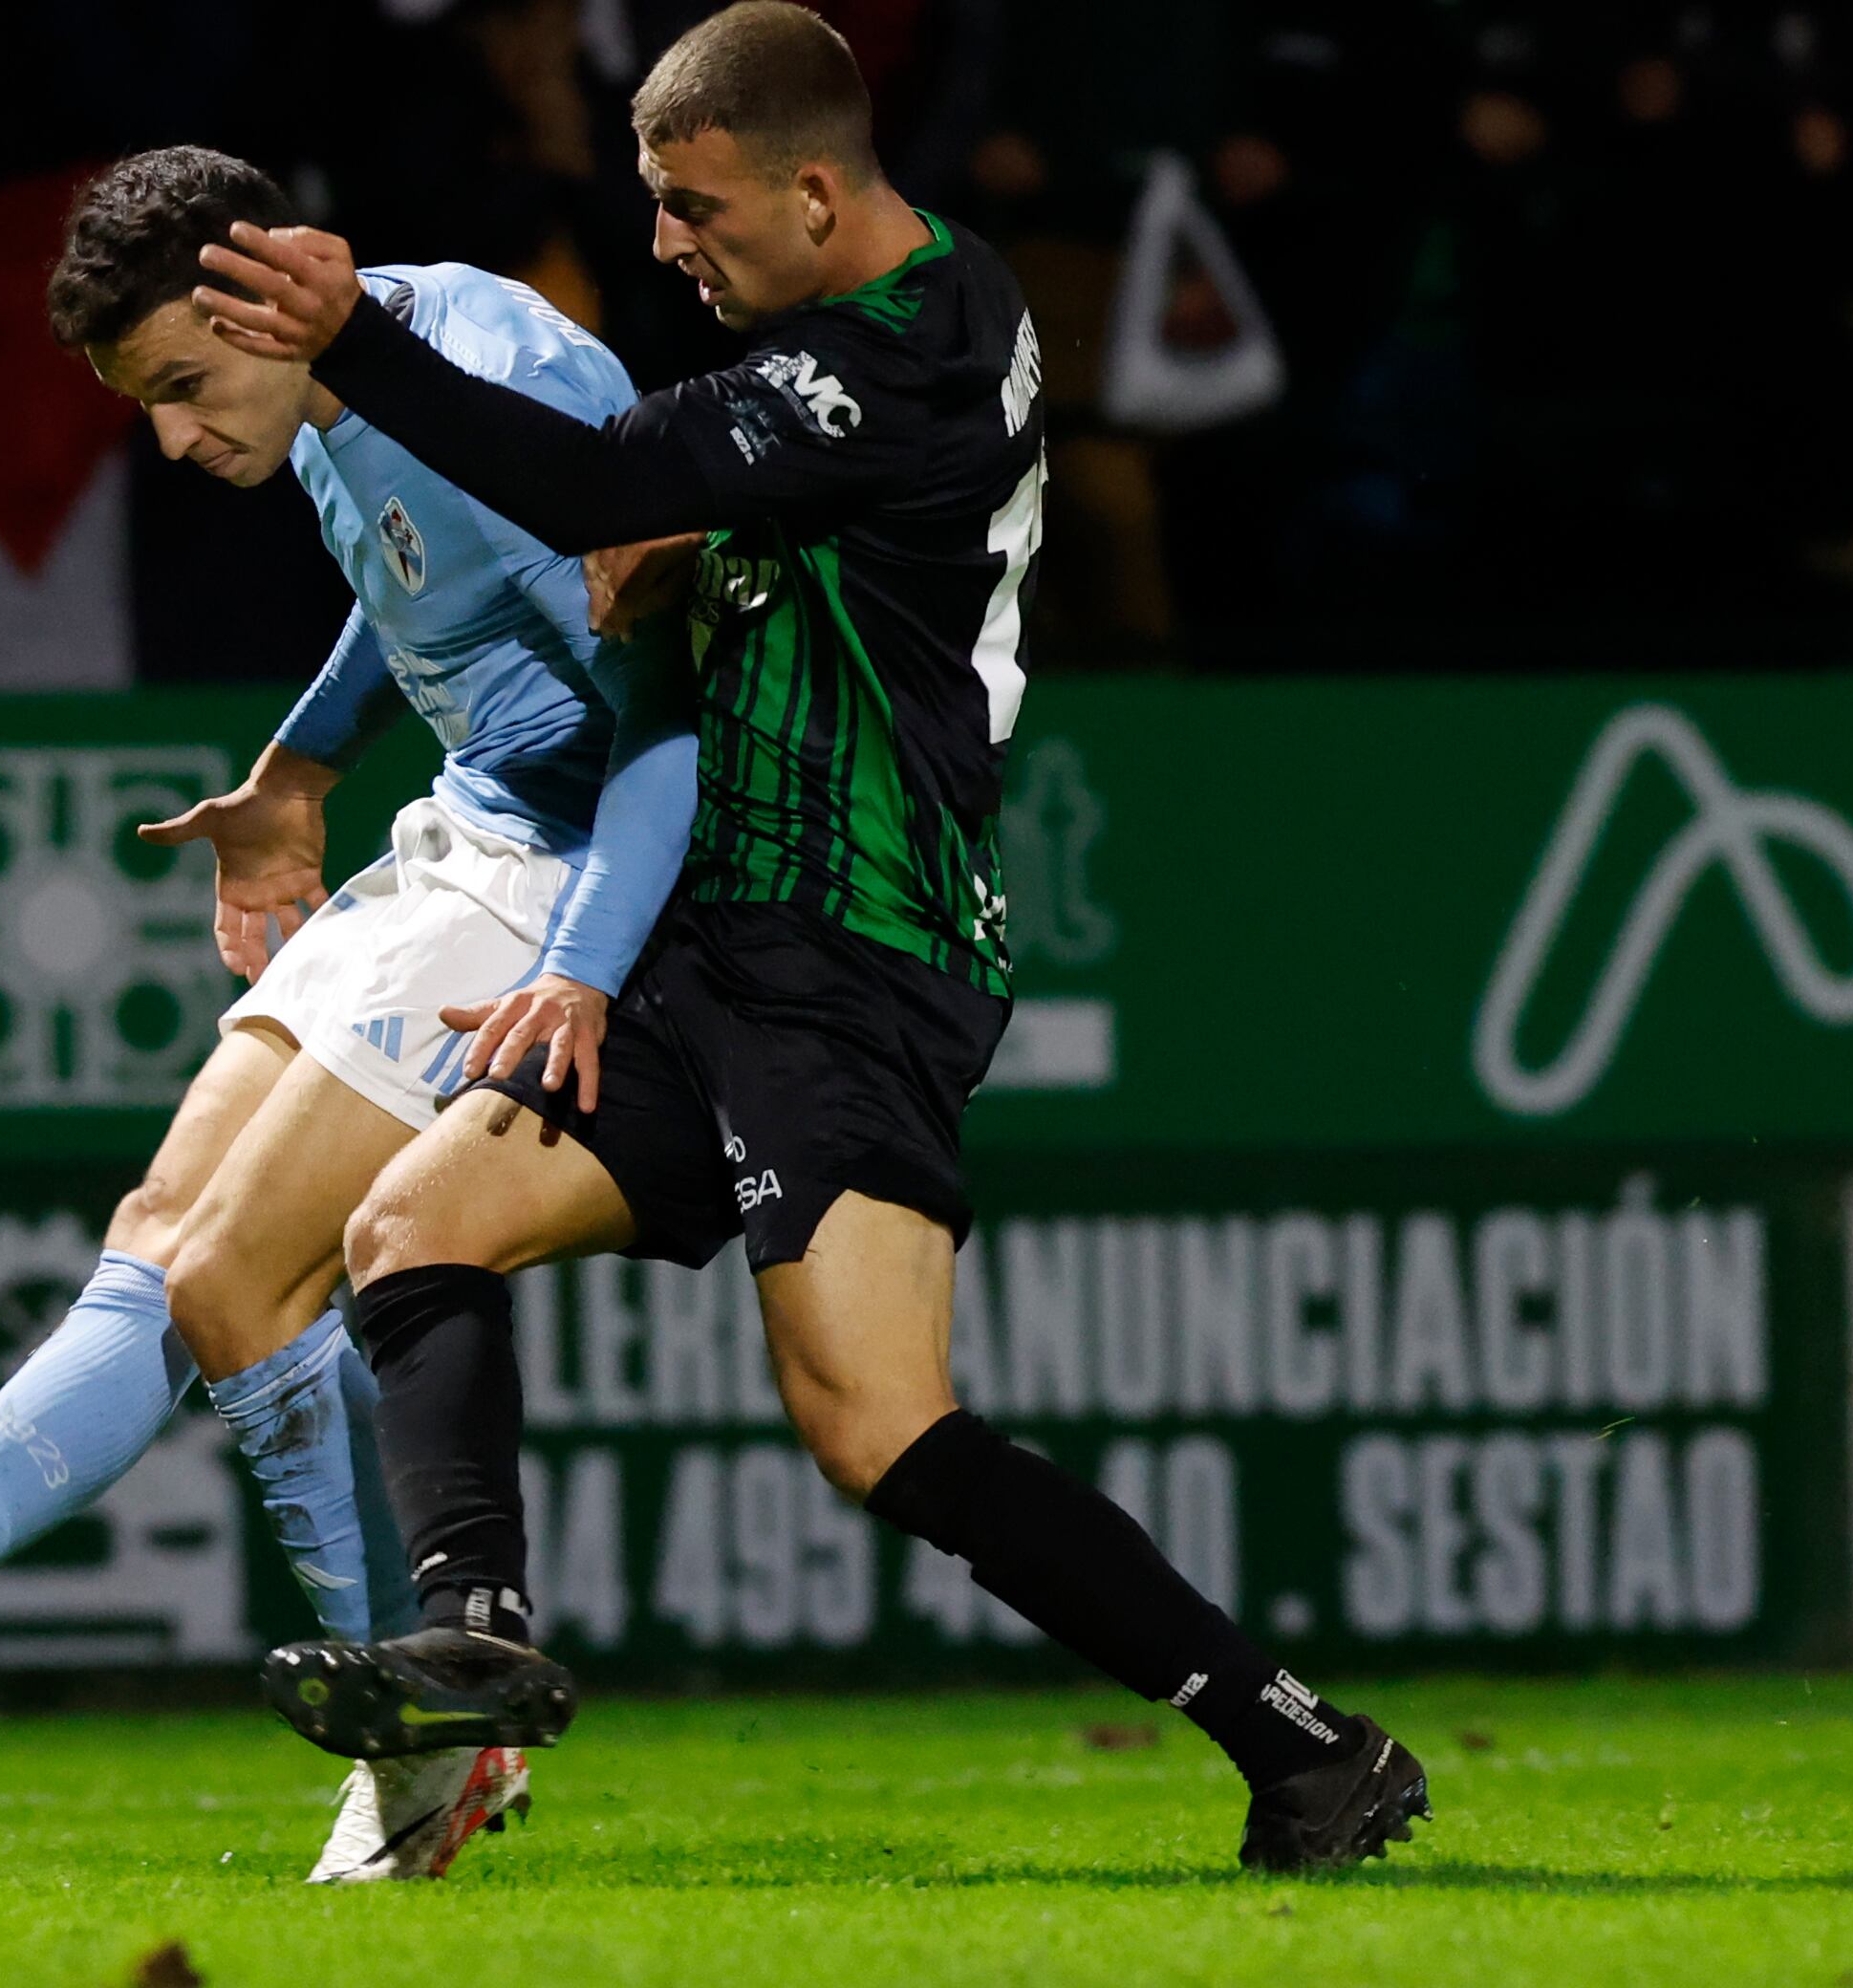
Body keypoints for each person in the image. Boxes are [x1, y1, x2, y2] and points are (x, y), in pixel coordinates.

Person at [193, 3, 1432, 1873]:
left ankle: (1300, 1742)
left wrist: (349, 334)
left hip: (861, 947)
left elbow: (609, 481)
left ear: (817, 187)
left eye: (694, 210)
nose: (672, 246)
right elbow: (708, 541)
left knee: (880, 1424)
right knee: (412, 1226)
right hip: (722, 949)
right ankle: (480, 1636)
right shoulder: (830, 355)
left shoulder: (924, 340)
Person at [0, 146, 696, 1883]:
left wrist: (588, 960)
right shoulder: (356, 383)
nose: (179, 442)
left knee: (232, 1276)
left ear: (260, 290)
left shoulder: (485, 383)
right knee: (162, 1234)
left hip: (559, 874)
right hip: (468, 833)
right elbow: (421, 582)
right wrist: (299, 764)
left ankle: (411, 1737)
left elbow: (678, 705)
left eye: (187, 386)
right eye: (151, 408)